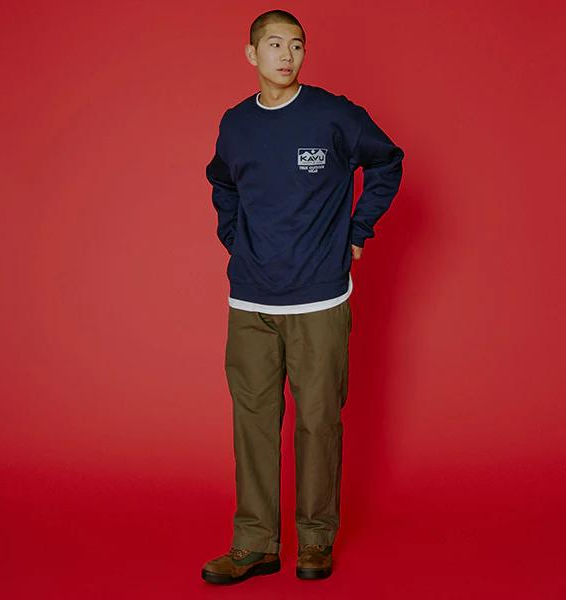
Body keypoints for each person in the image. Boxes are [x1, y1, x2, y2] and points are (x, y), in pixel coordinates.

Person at [201, 9, 405, 585]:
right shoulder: (236, 123)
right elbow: (222, 182)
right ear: (252, 54)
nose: (286, 55)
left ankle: (315, 539)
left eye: (296, 45)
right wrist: (234, 238)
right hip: (250, 302)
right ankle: (254, 544)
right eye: (274, 44)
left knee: (318, 421)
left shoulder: (333, 115)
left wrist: (358, 230)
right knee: (253, 424)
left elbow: (387, 161)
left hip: (318, 301)